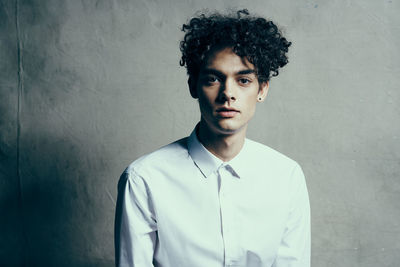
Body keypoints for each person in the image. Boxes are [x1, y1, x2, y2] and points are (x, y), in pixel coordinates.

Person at [115, 9, 310, 267]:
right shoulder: (144, 179)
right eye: (213, 79)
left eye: (243, 80)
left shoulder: (286, 176)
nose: (227, 93)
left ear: (262, 89)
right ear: (193, 85)